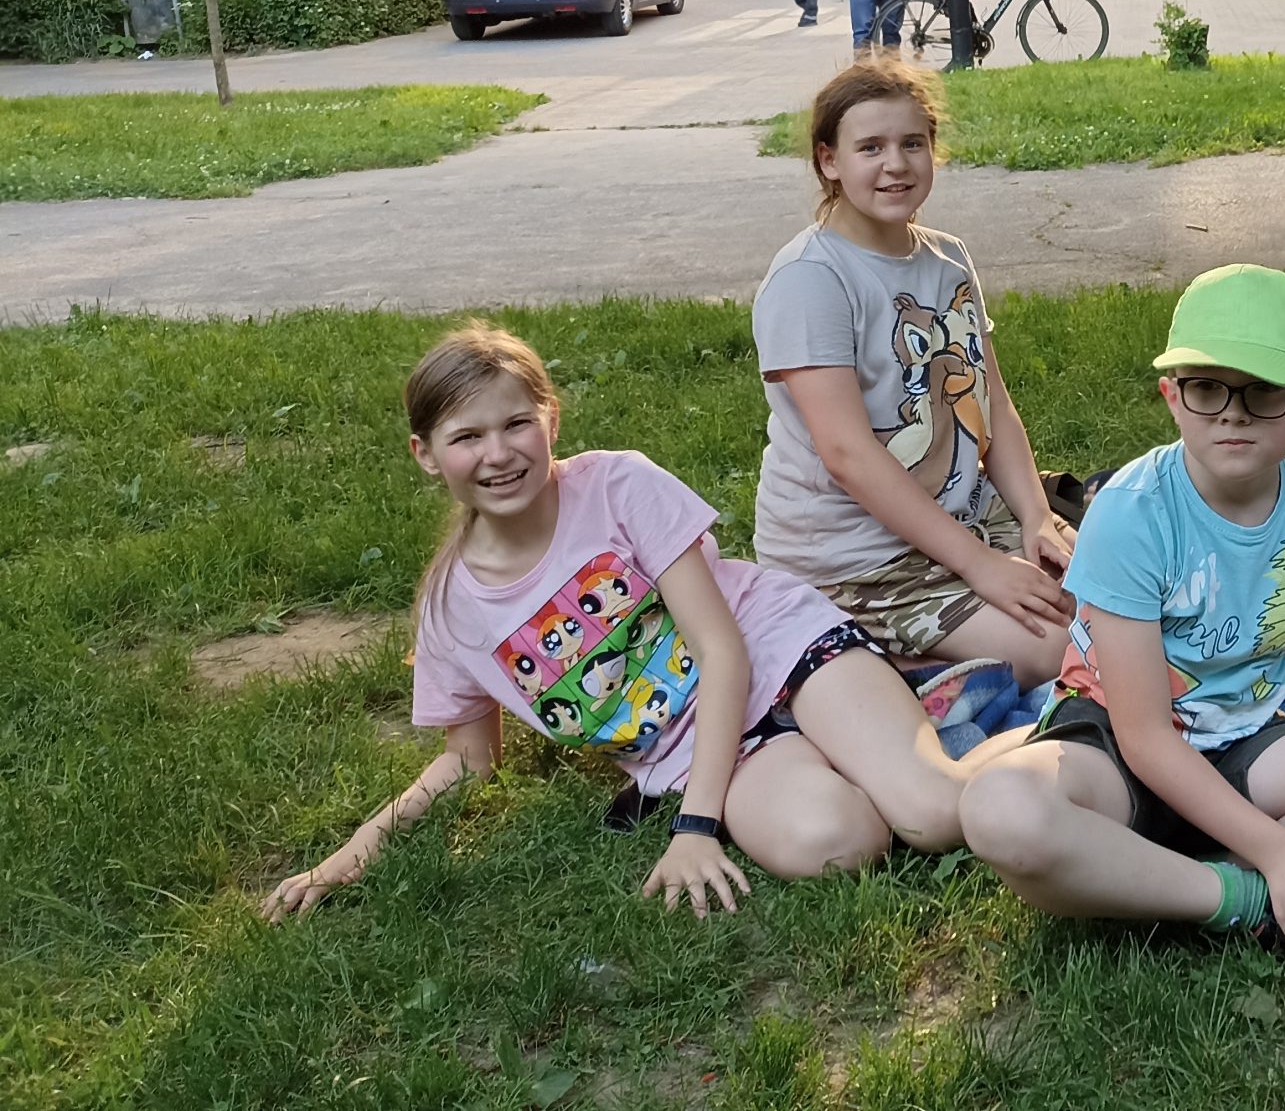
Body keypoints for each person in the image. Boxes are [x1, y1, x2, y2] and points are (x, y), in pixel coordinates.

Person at [262, 324, 988, 922]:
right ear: (425, 454)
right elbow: (470, 760)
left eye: (517, 424)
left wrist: (696, 826)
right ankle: (913, 727)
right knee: (835, 843)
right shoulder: (451, 611)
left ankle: (1002, 739)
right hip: (706, 753)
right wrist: (357, 847)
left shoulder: (617, 485)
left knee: (930, 816)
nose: (498, 453)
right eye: (467, 437)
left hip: (781, 656)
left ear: (550, 420)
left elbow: (721, 649)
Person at [958, 266, 1285, 971]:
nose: (1233, 413)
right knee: (1000, 809)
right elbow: (1144, 736)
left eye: (1262, 390)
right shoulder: (1131, 511)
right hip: (1116, 753)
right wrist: (1281, 851)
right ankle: (1247, 897)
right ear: (1172, 397)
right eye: (1208, 388)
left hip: (1244, 741)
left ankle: (1156, 879)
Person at [749, 57, 1075, 685]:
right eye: (870, 147)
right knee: (1053, 649)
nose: (895, 164)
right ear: (829, 161)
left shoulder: (948, 258)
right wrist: (980, 566)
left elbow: (993, 406)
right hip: (856, 560)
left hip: (961, 516)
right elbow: (848, 456)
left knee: (1115, 600)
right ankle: (874, 659)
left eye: (912, 144)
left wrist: (1037, 516)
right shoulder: (810, 279)